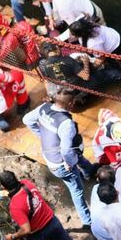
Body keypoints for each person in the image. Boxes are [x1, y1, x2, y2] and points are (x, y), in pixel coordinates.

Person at [23, 88, 95, 229]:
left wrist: (41, 135)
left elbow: (27, 120)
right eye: (73, 101)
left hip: (52, 155)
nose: (74, 103)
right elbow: (66, 151)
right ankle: (87, 221)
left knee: (77, 156)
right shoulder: (66, 124)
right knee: (76, 190)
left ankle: (89, 171)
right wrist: (69, 163)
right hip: (61, 163)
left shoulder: (44, 108)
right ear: (70, 103)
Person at [0, 170, 79, 240]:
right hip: (52, 222)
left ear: (4, 188)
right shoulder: (27, 183)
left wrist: (12, 237)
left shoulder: (14, 206)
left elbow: (26, 230)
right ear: (16, 179)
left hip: (37, 234)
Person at [33, 0, 105, 40]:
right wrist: (52, 19)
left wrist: (58, 39)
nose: (39, 0)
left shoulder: (64, 8)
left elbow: (75, 26)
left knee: (101, 34)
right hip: (88, 5)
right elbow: (57, 8)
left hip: (93, 17)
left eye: (40, 0)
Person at [68, 18, 121, 82]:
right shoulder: (87, 26)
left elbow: (101, 58)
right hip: (112, 35)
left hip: (115, 46)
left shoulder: (93, 43)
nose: (70, 35)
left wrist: (91, 66)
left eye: (72, 34)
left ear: (80, 34)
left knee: (119, 64)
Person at [90, 166, 116, 240]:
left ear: (98, 179)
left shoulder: (95, 188)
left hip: (97, 232)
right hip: (110, 238)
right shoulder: (114, 194)